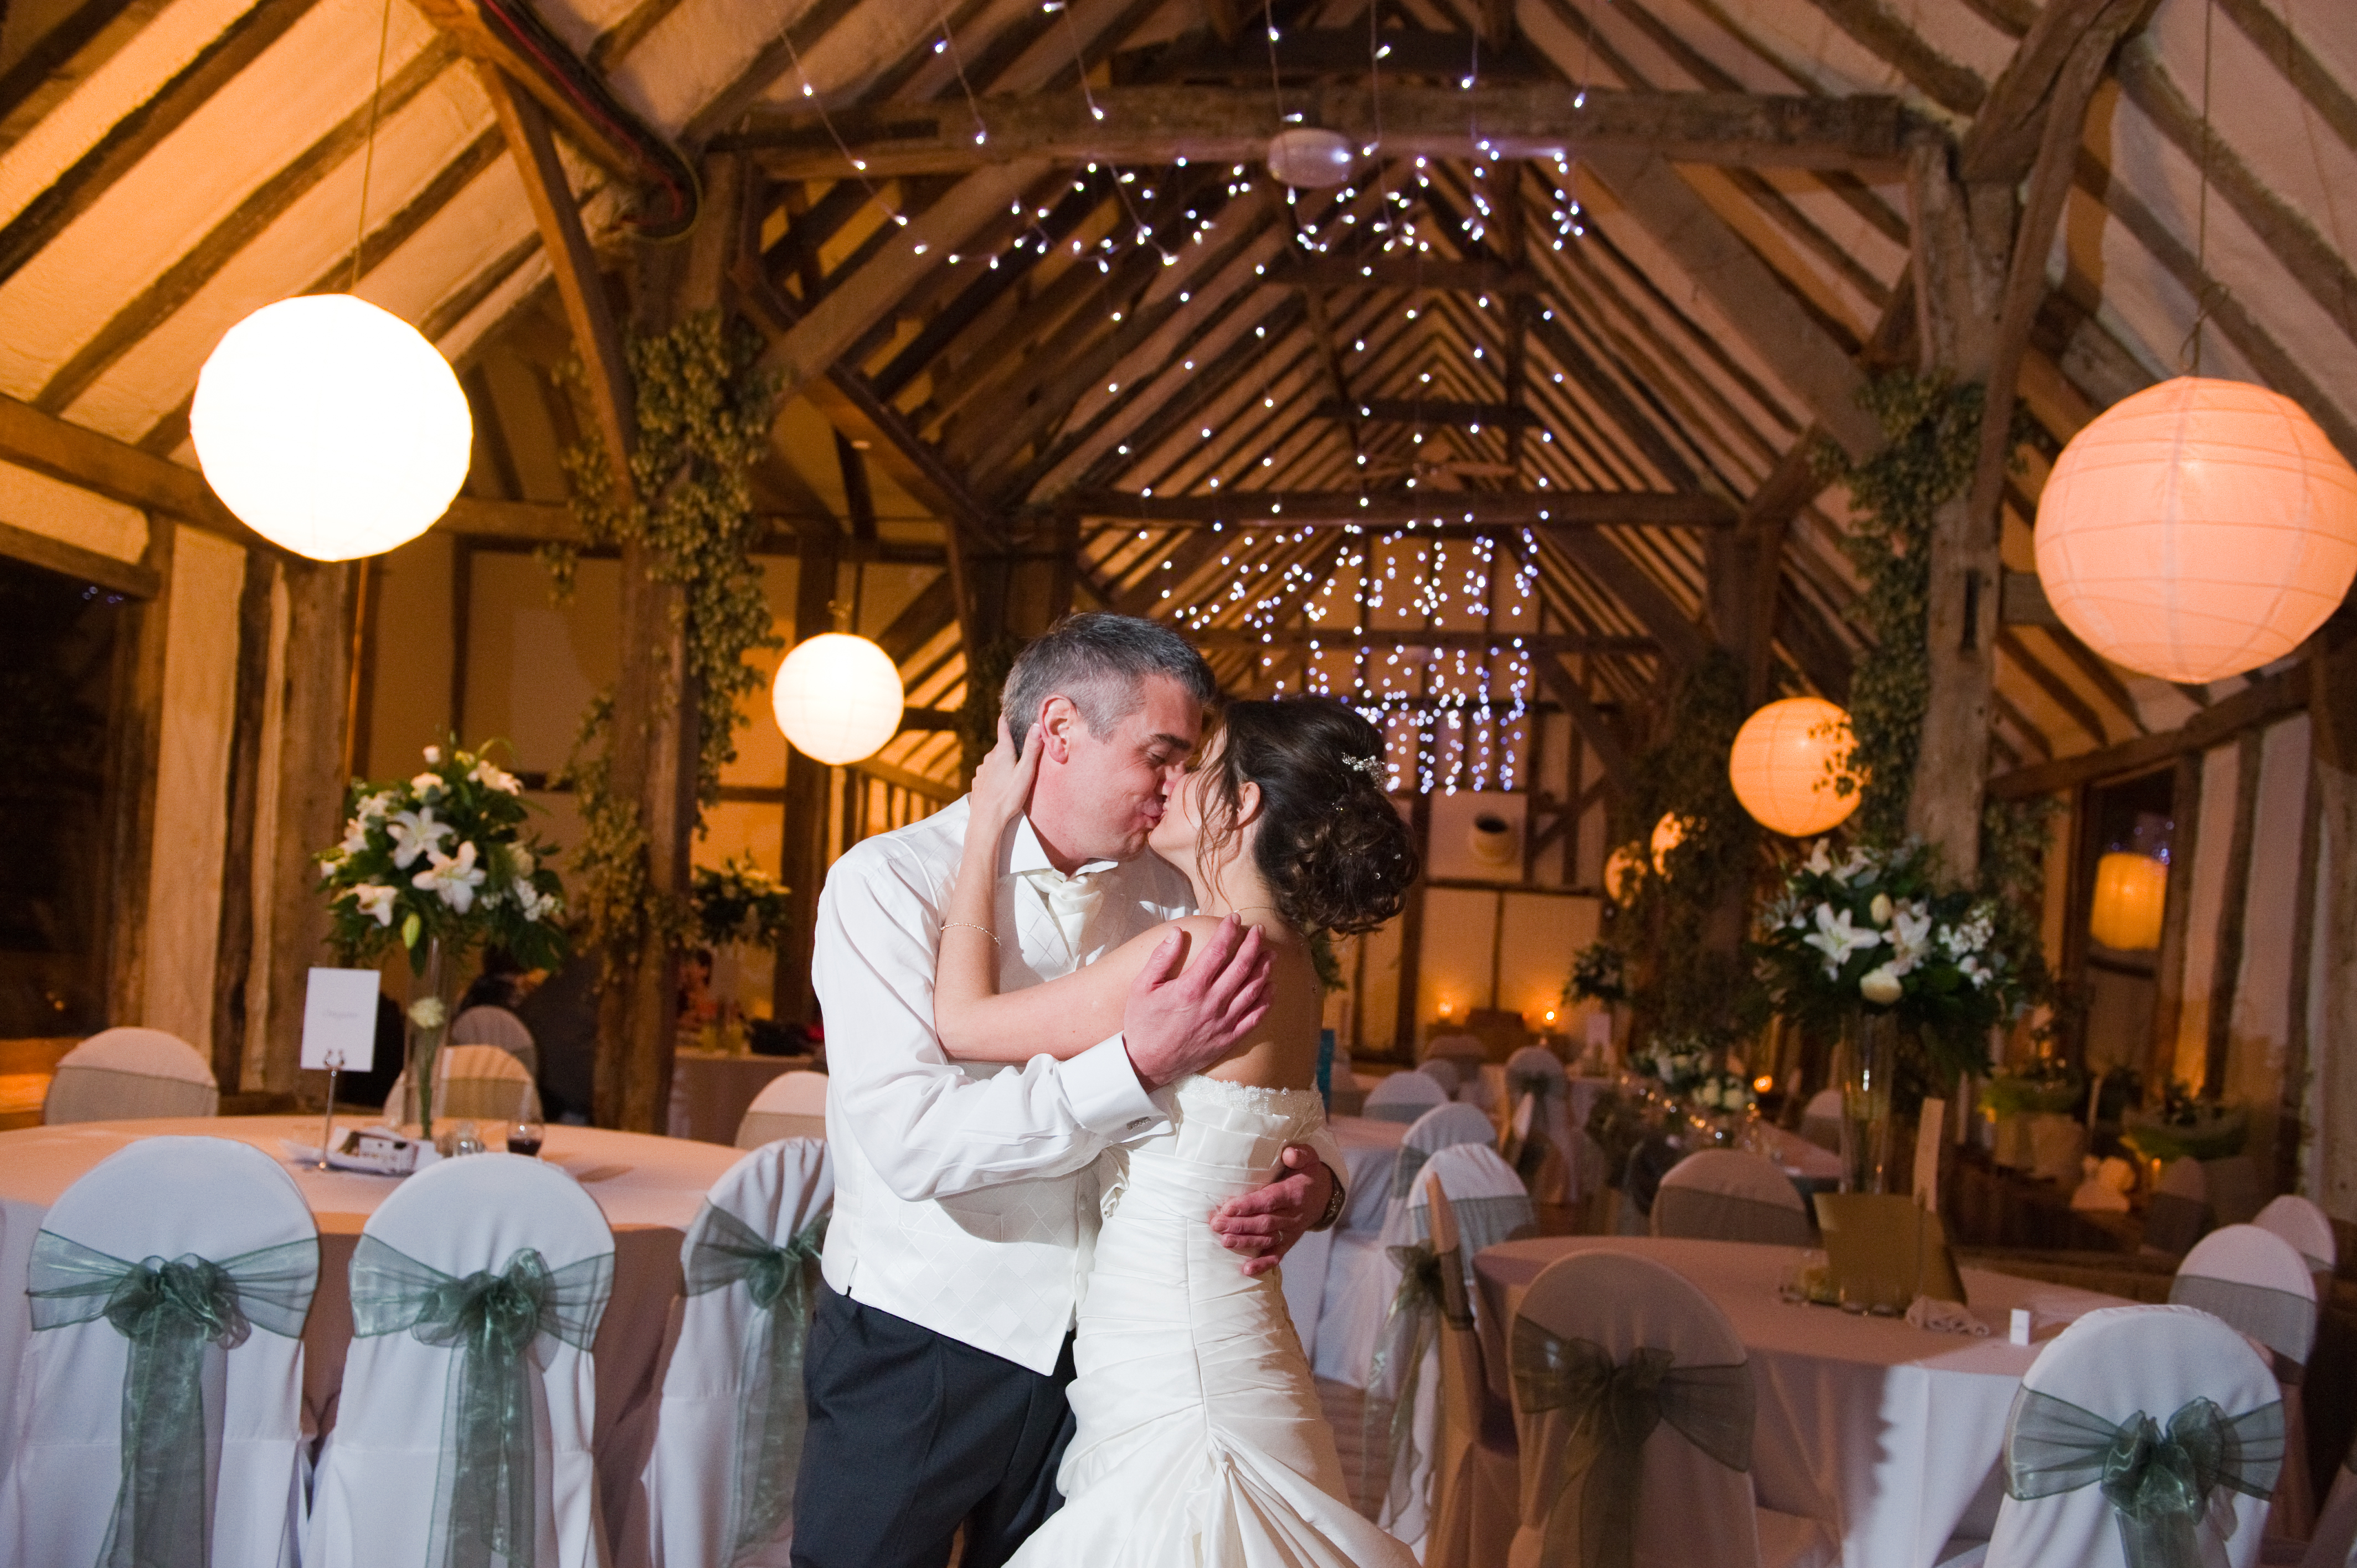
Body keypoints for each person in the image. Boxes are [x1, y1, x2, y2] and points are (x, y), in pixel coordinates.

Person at [795, 615, 1351, 1568]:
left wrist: (1315, 1182)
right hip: (923, 1341)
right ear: (1057, 731)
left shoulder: (1176, 893)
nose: (1174, 787)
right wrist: (1131, 1068)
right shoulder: (886, 886)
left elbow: (1260, 1092)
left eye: (1186, 765)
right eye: (1160, 755)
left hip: (1102, 1364)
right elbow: (916, 1142)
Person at [932, 694, 1421, 1568]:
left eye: (1200, 766)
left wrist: (985, 829)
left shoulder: (1199, 947)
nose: (1174, 777)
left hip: (1180, 1354)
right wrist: (1315, 1183)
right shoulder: (1294, 960)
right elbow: (1286, 1125)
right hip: (1219, 1336)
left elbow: (965, 1023)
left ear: (1243, 805)